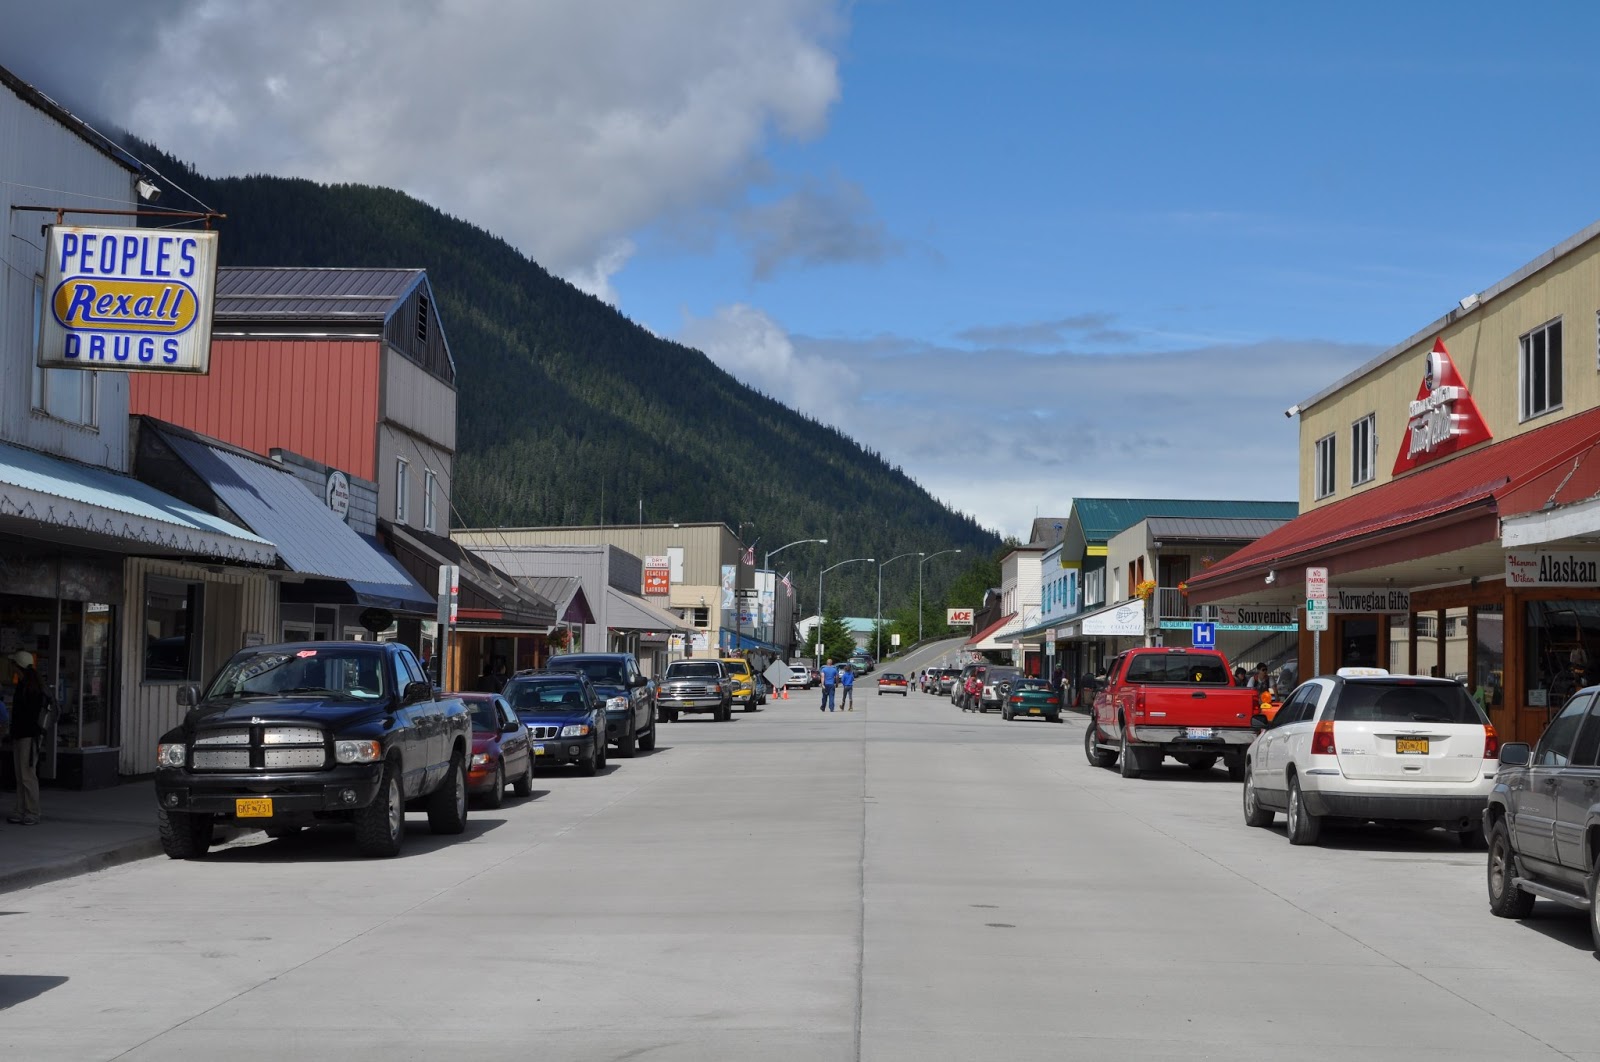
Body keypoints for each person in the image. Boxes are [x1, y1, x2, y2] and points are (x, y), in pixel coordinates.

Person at [9, 650, 46, 826]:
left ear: (19, 666)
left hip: (28, 736)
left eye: (13, 664)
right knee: (20, 775)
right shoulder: (25, 684)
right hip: (20, 734)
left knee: (27, 775)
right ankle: (21, 809)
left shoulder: (31, 688)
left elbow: (28, 716)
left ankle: (32, 811)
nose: (11, 668)